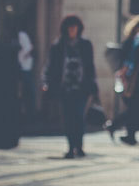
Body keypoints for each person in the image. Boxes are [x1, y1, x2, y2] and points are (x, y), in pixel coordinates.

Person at [41, 15, 99, 159]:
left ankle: (78, 146)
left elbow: (90, 66)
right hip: (64, 88)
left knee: (79, 117)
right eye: (70, 27)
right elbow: (50, 66)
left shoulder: (85, 45)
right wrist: (46, 82)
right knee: (67, 118)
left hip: (81, 88)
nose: (72, 30)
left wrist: (93, 85)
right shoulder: (58, 45)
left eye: (75, 27)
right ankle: (70, 147)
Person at [116, 16, 139, 148]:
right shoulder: (138, 40)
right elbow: (130, 58)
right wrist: (125, 73)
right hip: (138, 80)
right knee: (136, 108)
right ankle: (132, 135)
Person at [17, 27, 35, 118]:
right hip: (23, 67)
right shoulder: (21, 35)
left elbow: (29, 48)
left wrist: (21, 59)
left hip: (25, 67)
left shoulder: (21, 35)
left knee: (26, 91)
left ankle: (29, 113)